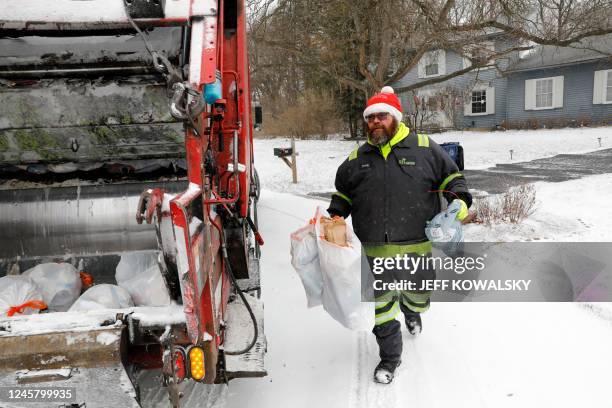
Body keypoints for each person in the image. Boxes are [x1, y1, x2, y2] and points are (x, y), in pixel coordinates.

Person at [327, 86, 472, 384]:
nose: (375, 122)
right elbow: (343, 191)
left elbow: (452, 176)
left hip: (415, 245)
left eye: (382, 116)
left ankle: (411, 309)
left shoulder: (423, 147)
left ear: (394, 117)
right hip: (374, 249)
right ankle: (389, 359)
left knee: (418, 297)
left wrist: (459, 200)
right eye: (371, 118)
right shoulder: (358, 156)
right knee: (380, 308)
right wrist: (337, 213)